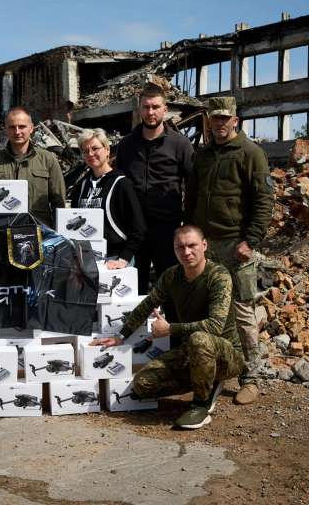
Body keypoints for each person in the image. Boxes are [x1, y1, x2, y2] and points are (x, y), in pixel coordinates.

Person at [92, 225, 245, 429]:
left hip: (226, 355)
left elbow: (215, 326)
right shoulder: (172, 275)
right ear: (174, 249)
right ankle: (206, 380)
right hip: (192, 352)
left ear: (204, 245)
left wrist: (170, 329)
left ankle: (201, 404)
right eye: (180, 247)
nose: (187, 252)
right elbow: (148, 304)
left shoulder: (218, 276)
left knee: (199, 339)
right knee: (143, 384)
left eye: (192, 245)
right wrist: (121, 335)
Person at [185, 96, 274, 405]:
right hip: (205, 246)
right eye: (215, 118)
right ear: (208, 121)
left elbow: (264, 201)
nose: (219, 123)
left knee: (242, 313)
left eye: (225, 118)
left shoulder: (251, 153)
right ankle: (215, 374)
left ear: (236, 120)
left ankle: (251, 378)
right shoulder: (202, 155)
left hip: (236, 246)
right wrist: (191, 237)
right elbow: (191, 199)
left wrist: (251, 241)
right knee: (209, 312)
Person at [115, 82, 194, 298]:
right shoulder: (126, 145)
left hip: (167, 229)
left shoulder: (180, 144)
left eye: (156, 107)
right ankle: (136, 321)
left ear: (165, 109)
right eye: (146, 107)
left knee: (170, 287)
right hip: (134, 231)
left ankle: (170, 321)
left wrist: (188, 223)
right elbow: (118, 187)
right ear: (139, 109)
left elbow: (193, 185)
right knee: (133, 289)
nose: (151, 112)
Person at [69, 128, 146, 269]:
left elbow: (138, 228)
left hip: (115, 259)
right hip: (86, 259)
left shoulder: (121, 183)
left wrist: (124, 259)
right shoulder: (82, 186)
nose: (90, 154)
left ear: (107, 150)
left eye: (95, 148)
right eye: (85, 151)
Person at [0, 107, 66, 227]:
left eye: (22, 127)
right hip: (1, 231)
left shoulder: (47, 160)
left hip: (38, 231)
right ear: (5, 129)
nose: (17, 132)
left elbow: (59, 202)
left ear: (31, 128)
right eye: (12, 127)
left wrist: (57, 233)